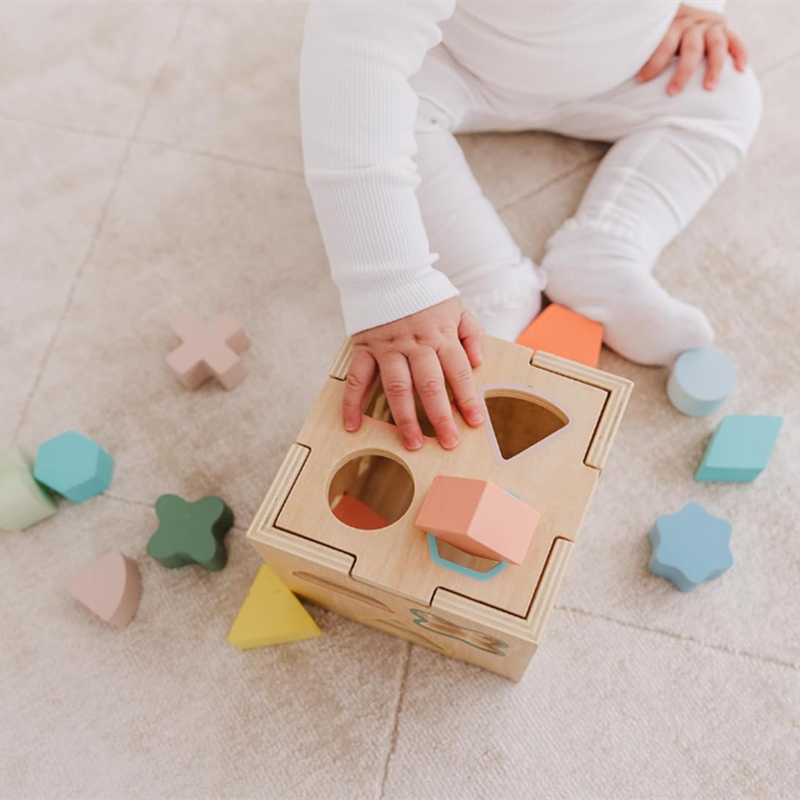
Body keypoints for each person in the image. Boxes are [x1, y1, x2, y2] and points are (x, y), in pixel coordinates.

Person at [299, 1, 761, 451]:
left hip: (625, 68)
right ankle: (487, 277)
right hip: (455, 65)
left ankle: (605, 249)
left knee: (727, 91)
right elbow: (354, 55)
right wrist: (392, 284)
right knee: (362, 113)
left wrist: (701, 9)